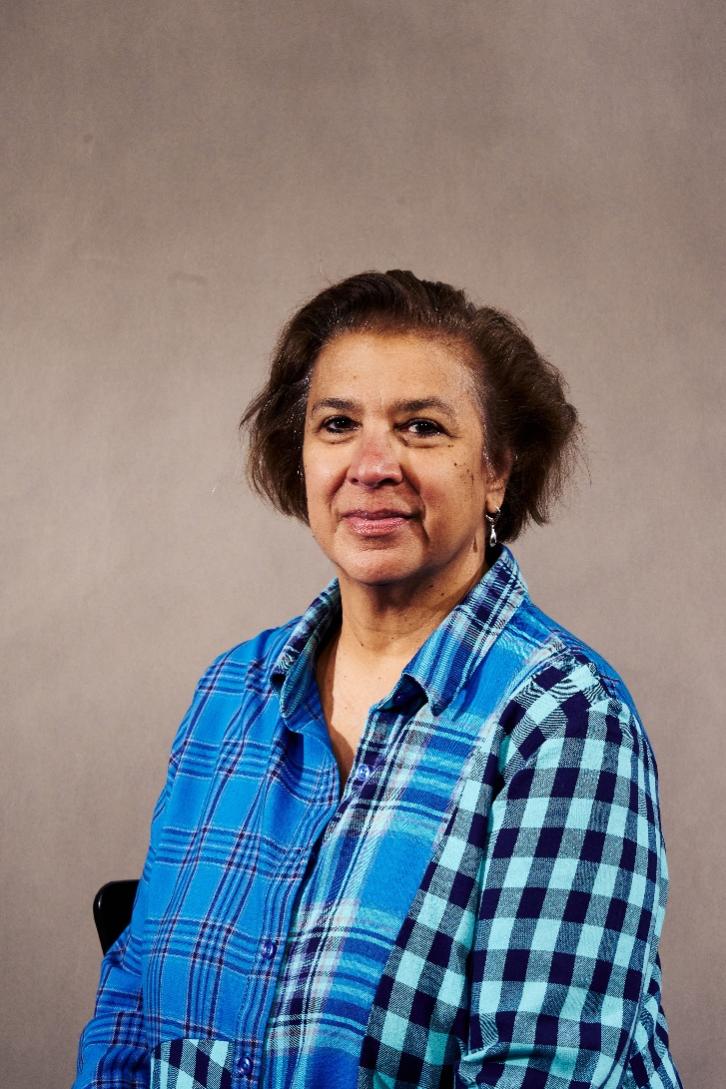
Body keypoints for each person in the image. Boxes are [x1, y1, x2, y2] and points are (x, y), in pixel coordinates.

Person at [72, 270, 682, 1089]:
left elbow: (541, 1073)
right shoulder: (232, 692)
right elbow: (131, 1008)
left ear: (497, 468)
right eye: (337, 424)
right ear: (300, 455)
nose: (371, 465)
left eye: (421, 427)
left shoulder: (564, 723)